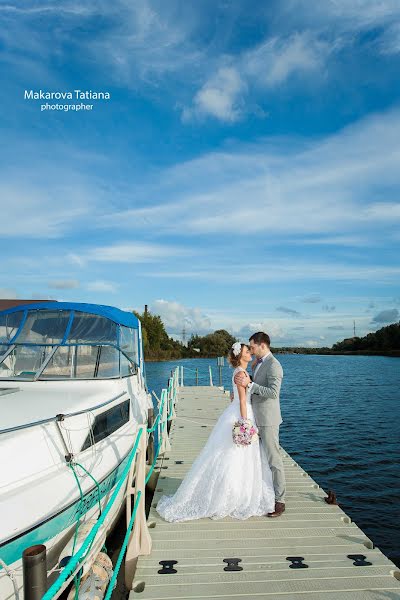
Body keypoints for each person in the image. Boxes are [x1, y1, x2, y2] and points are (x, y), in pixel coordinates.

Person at [156, 343, 275, 522]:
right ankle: (235, 495)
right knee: (237, 454)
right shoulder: (241, 373)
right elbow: (243, 401)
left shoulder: (237, 371)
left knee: (230, 455)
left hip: (232, 412)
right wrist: (246, 424)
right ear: (240, 355)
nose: (250, 352)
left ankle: (231, 491)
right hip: (242, 413)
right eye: (246, 351)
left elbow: (235, 395)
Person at [234, 331, 286, 517]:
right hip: (256, 418)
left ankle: (280, 500)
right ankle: (264, 494)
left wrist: (250, 385)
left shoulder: (274, 366)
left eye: (253, 346)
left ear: (262, 345)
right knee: (260, 460)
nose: (251, 350)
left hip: (269, 420)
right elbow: (254, 384)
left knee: (274, 459)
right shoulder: (258, 363)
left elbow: (273, 393)